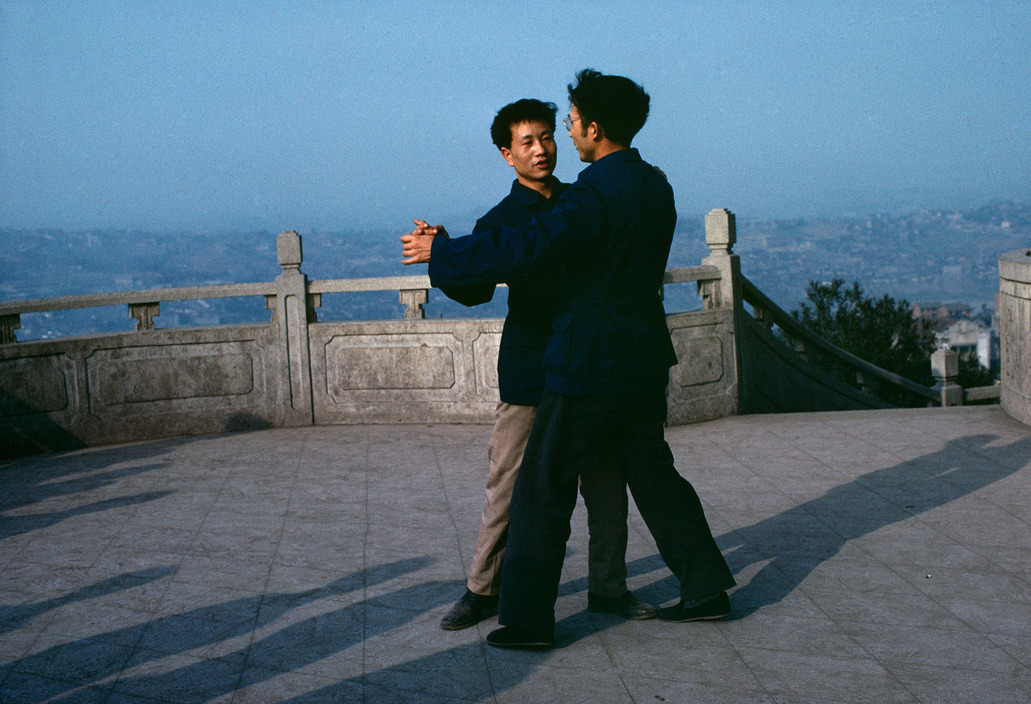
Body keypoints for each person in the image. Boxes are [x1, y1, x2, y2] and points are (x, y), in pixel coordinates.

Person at [402, 69, 735, 649]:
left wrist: (442, 250)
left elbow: (529, 244)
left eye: (572, 123)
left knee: (542, 486)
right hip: (642, 358)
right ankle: (705, 586)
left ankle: (528, 621)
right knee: (654, 475)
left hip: (588, 364)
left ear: (596, 128)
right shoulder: (655, 183)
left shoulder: (593, 194)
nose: (566, 135)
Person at [430, 99, 655, 631]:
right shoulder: (502, 219)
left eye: (548, 137)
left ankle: (608, 588)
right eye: (527, 142)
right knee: (506, 482)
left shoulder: (584, 200)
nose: (541, 149)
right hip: (533, 369)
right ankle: (482, 588)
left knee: (604, 484)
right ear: (507, 155)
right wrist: (447, 251)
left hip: (590, 365)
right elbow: (474, 289)